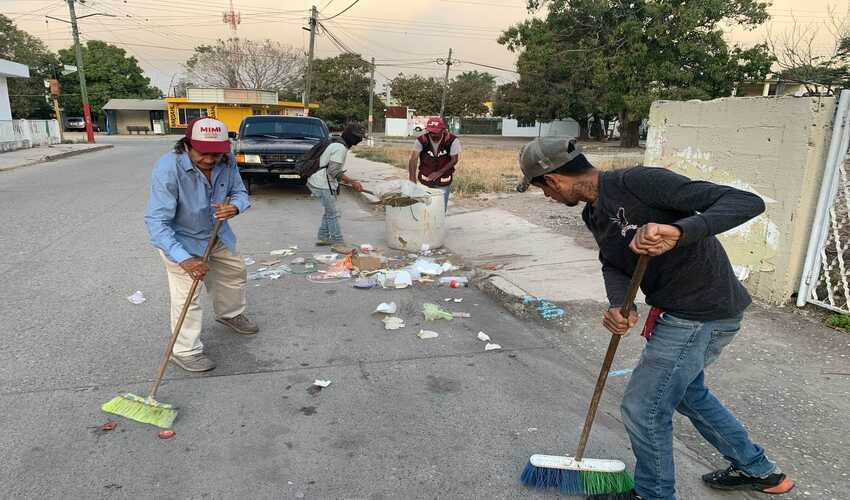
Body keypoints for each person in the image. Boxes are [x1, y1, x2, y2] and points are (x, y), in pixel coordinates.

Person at [517, 137, 795, 500]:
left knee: (642, 407)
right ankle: (761, 471)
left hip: (701, 313)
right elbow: (613, 263)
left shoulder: (639, 182)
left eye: (543, 191)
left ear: (552, 180)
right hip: (678, 311)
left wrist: (679, 231)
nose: (547, 198)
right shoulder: (593, 214)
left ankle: (654, 495)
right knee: (687, 394)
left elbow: (746, 202)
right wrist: (621, 305)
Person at [145, 117, 258, 373]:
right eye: (204, 153)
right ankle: (185, 351)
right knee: (187, 296)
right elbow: (156, 221)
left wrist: (235, 207)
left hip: (217, 235)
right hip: (180, 242)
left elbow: (240, 192)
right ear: (186, 145)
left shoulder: (227, 162)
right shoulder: (167, 169)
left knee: (234, 274)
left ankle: (230, 315)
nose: (210, 160)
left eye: (216, 155)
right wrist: (184, 259)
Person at [307, 122, 365, 248]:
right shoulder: (340, 148)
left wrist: (347, 180)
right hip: (322, 183)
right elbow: (333, 171)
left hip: (319, 180)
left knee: (329, 211)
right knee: (333, 213)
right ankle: (338, 243)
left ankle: (323, 237)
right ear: (350, 136)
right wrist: (352, 182)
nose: (359, 140)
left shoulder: (336, 142)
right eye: (357, 137)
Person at [408, 117, 461, 212]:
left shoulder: (452, 140)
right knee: (423, 209)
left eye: (435, 132)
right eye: (430, 132)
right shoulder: (422, 140)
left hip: (443, 181)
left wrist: (439, 172)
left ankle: (438, 226)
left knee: (440, 209)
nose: (432, 134)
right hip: (425, 179)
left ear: (443, 130)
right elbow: (413, 159)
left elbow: (454, 159)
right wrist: (412, 180)